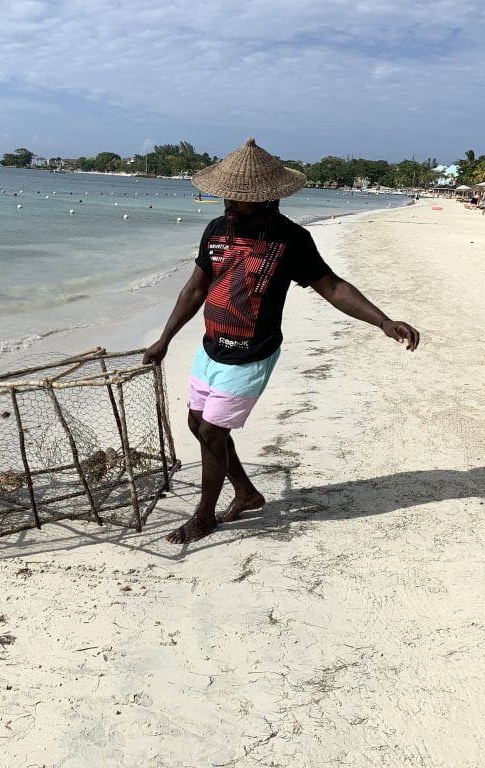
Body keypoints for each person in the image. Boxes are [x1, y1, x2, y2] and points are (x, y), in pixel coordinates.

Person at [143, 138, 420, 544]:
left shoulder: (291, 240)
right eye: (227, 198)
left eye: (240, 201)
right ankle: (247, 492)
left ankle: (204, 517)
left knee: (212, 433)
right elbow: (195, 288)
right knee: (196, 423)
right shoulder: (216, 229)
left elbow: (333, 287)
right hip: (211, 347)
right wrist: (165, 338)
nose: (229, 206)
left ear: (269, 200)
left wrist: (382, 321)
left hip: (252, 354)